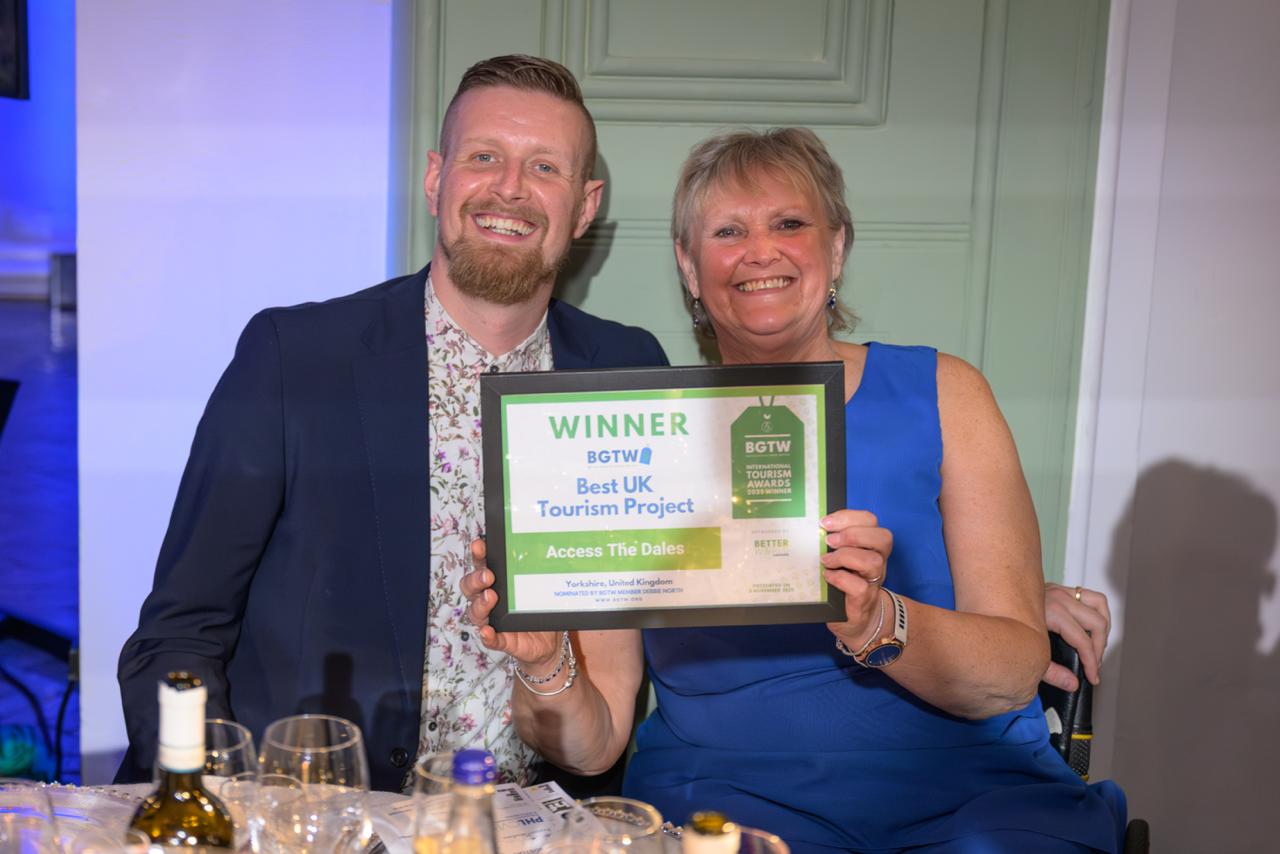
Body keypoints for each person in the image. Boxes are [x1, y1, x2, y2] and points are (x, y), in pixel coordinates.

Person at [463, 128, 1127, 852]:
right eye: (727, 231)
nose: (760, 251)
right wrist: (543, 661)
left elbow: (1010, 672)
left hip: (970, 792)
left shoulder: (945, 394)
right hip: (722, 803)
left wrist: (881, 621)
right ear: (689, 265)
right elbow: (592, 749)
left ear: (836, 248)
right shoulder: (638, 434)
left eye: (789, 223)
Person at [115, 55, 667, 791]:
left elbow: (597, 735)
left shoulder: (626, 373)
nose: (510, 187)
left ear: (586, 205)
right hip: (308, 815)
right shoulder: (294, 359)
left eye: (544, 168)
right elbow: (180, 636)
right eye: (483, 158)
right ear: (437, 178)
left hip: (521, 823)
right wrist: (216, 806)